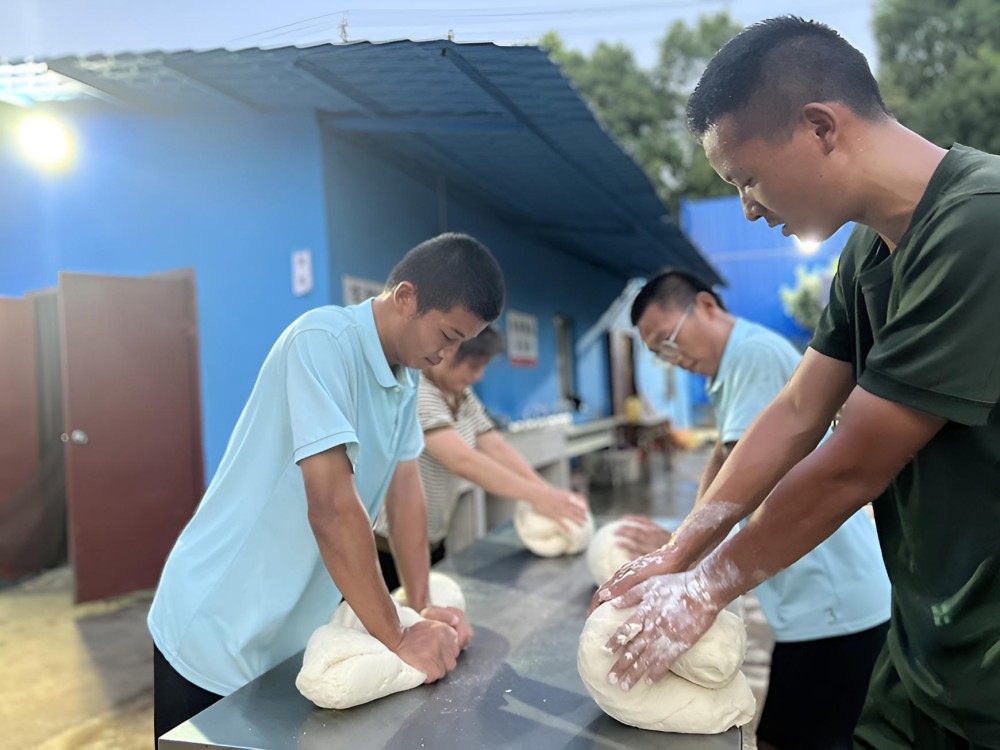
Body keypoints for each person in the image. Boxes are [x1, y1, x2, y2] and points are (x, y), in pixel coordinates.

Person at [592, 16, 1000, 748]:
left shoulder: (980, 226)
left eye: (747, 178)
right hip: (925, 647)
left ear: (820, 127)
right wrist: (679, 551)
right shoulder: (871, 253)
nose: (748, 207)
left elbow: (852, 466)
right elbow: (797, 410)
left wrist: (708, 588)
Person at [148, 233, 504, 739]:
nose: (448, 355)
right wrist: (399, 635)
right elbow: (333, 508)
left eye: (461, 343)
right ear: (406, 297)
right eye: (447, 334)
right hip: (217, 624)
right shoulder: (322, 342)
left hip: (286, 634)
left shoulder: (404, 380)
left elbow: (406, 497)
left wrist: (421, 603)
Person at [616, 269, 890, 749]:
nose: (672, 359)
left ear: (705, 306)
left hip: (833, 602)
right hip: (813, 602)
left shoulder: (752, 354)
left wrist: (692, 576)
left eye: (669, 339)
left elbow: (750, 486)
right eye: (658, 353)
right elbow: (727, 463)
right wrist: (678, 546)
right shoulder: (732, 371)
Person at [373, 325, 589, 590]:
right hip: (388, 542)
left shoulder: (462, 395)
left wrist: (546, 492)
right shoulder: (418, 393)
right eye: (474, 366)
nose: (479, 376)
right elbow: (462, 460)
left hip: (431, 534)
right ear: (448, 353)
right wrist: (540, 497)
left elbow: (494, 446)